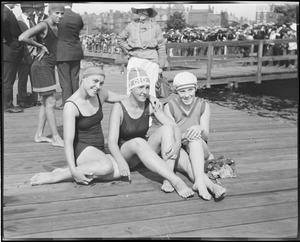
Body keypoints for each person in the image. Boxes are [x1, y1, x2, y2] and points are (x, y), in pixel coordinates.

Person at [30, 65, 160, 186]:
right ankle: (60, 175)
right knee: (106, 167)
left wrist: (149, 97)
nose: (97, 86)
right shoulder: (71, 105)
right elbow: (68, 143)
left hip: (98, 150)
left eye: (101, 83)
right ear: (83, 79)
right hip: (82, 149)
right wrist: (73, 170)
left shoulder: (100, 94)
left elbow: (126, 97)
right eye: (95, 81)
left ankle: (76, 170)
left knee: (121, 171)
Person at [108, 67, 194, 199]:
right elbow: (112, 142)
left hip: (144, 153)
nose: (145, 92)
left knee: (166, 129)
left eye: (147, 87)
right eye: (140, 87)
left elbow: (172, 125)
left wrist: (177, 143)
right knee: (139, 141)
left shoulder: (149, 103)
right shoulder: (119, 107)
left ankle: (168, 177)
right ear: (131, 88)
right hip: (126, 153)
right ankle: (176, 181)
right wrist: (121, 162)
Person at [163, 72, 227, 200]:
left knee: (195, 140)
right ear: (176, 91)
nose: (187, 95)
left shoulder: (203, 106)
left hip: (199, 148)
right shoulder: (169, 107)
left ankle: (200, 183)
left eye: (190, 90)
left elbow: (206, 136)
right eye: (182, 91)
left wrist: (200, 128)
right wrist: (185, 135)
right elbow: (170, 136)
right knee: (189, 165)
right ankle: (208, 185)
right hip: (179, 147)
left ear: (196, 88)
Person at [18, 3, 65, 147]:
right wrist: (40, 46)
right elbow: (22, 37)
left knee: (46, 103)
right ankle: (56, 137)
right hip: (41, 66)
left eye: (62, 14)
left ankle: (39, 135)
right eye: (57, 13)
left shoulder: (56, 26)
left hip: (48, 66)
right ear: (49, 12)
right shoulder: (44, 25)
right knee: (50, 102)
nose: (59, 16)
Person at [116, 4, 167, 97]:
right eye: (139, 11)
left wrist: (161, 65)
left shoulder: (155, 27)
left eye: (144, 10)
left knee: (150, 89)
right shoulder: (131, 25)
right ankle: (132, 110)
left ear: (149, 12)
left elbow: (161, 46)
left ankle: (150, 110)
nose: (141, 13)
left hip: (151, 61)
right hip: (135, 59)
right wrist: (127, 48)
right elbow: (120, 38)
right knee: (133, 87)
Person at [56, 3, 84, 110]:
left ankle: (66, 102)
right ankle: (76, 101)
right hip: (76, 51)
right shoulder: (77, 16)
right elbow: (80, 27)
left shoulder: (59, 16)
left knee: (65, 79)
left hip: (62, 52)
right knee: (74, 78)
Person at [3, 3, 24, 113]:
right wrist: (7, 39)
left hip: (8, 50)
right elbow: (4, 23)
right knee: (8, 80)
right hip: (10, 51)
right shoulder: (5, 12)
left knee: (7, 79)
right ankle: (8, 105)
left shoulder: (6, 11)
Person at [16, 3, 37, 108]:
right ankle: (22, 100)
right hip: (23, 55)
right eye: (32, 8)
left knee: (34, 78)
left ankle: (34, 99)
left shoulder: (32, 20)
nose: (34, 10)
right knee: (23, 78)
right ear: (27, 9)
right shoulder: (18, 21)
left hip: (34, 54)